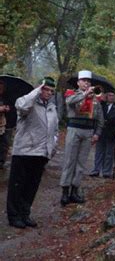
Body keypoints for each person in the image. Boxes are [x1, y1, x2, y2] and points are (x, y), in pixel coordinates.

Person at [6, 77, 58, 228]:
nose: (48, 93)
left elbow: (54, 130)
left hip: (41, 153)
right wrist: (36, 91)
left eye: (51, 91)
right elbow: (22, 107)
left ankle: (25, 213)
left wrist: (52, 147)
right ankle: (14, 215)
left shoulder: (52, 108)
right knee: (17, 185)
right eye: (45, 89)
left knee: (31, 186)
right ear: (39, 89)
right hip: (24, 151)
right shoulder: (27, 102)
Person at [60, 70, 104, 206]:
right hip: (74, 129)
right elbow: (70, 102)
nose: (87, 83)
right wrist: (85, 95)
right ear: (78, 82)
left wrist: (97, 133)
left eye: (88, 81)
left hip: (88, 131)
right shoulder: (72, 93)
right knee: (69, 161)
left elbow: (100, 118)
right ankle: (65, 191)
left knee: (81, 163)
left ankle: (75, 190)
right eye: (84, 81)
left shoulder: (96, 99)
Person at [90, 91, 115, 178]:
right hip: (101, 131)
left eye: (113, 95)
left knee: (109, 153)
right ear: (106, 96)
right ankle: (96, 170)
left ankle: (106, 171)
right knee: (99, 152)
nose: (112, 97)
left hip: (111, 132)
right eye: (110, 95)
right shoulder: (101, 105)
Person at [0, 79, 17, 170]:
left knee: (4, 144)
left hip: (6, 124)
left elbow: (14, 109)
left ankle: (1, 162)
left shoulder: (9, 98)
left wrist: (7, 108)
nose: (0, 86)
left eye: (2, 85)